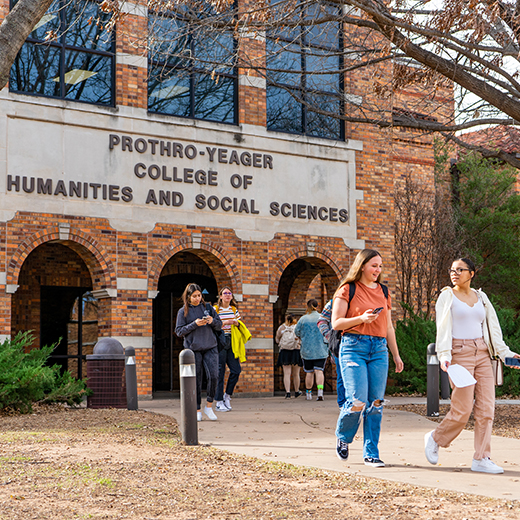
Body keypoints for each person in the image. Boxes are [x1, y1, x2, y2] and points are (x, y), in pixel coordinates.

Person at [424, 258, 520, 474]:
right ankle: (435, 438)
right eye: (452, 270)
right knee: (463, 409)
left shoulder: (482, 297)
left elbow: (493, 329)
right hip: (459, 354)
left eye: (460, 270)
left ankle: (481, 458)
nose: (455, 273)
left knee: (487, 409)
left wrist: (505, 354)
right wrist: (444, 354)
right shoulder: (447, 296)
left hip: (483, 354)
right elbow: (442, 328)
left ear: (472, 273)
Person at [331, 249, 404, 468]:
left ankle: (371, 453)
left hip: (379, 349)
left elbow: (389, 326)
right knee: (357, 401)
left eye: (380, 266)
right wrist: (361, 318)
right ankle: (343, 436)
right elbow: (336, 323)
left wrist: (396, 355)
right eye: (374, 266)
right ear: (362, 266)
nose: (378, 270)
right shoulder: (347, 289)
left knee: (376, 403)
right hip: (353, 346)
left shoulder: (383, 291)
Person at [175, 283, 222, 422]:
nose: (197, 298)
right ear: (188, 297)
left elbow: (219, 325)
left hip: (210, 346)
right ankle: (197, 409)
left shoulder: (208, 308)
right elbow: (179, 331)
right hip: (193, 349)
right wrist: (195, 324)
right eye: (194, 296)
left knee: (214, 376)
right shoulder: (183, 311)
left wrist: (212, 321)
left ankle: (209, 406)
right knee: (196, 379)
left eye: (199, 295)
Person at [214, 287, 243, 412]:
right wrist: (227, 322)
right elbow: (213, 324)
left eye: (229, 293)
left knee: (236, 370)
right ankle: (219, 401)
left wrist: (234, 322)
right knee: (220, 373)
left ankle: (227, 395)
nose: (227, 295)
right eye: (225, 293)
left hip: (232, 340)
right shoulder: (215, 309)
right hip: (220, 341)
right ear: (220, 296)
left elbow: (239, 323)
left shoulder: (234, 309)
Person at [294, 299, 329, 401]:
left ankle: (308, 394)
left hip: (307, 349)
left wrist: (304, 337)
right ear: (317, 306)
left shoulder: (303, 319)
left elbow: (297, 332)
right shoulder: (322, 318)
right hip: (321, 349)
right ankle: (320, 392)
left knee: (309, 372)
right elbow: (328, 331)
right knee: (319, 371)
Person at [317, 299, 345, 408]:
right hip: (340, 344)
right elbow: (322, 320)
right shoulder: (336, 301)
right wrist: (330, 337)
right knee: (342, 376)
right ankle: (343, 406)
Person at [276, 314, 303, 399]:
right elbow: (301, 338)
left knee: (286, 373)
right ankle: (296, 391)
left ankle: (287, 392)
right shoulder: (297, 327)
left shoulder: (282, 328)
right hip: (296, 350)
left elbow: (277, 339)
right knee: (296, 373)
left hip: (285, 351)